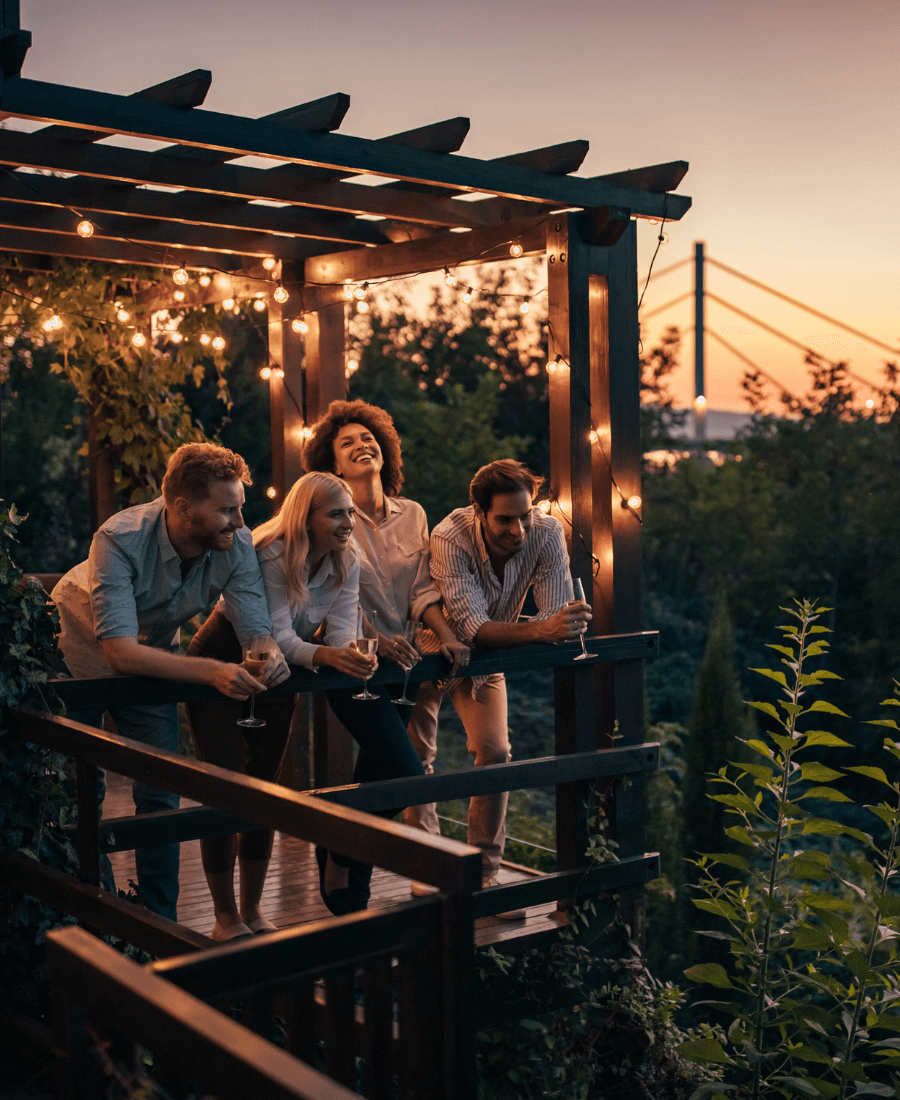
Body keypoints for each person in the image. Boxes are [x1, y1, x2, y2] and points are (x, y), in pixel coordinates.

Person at [51, 443, 289, 922]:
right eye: (226, 510)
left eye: (240, 507)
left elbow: (255, 628)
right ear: (183, 508)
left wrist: (270, 653)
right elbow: (119, 652)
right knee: (82, 791)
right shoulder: (117, 539)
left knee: (159, 792)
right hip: (73, 660)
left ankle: (158, 924)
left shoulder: (235, 544)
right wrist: (213, 672)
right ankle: (93, 917)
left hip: (153, 659)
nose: (241, 523)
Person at [186, 471, 427, 932]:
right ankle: (223, 916)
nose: (349, 522)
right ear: (306, 518)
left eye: (351, 512)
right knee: (223, 788)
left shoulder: (346, 557)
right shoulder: (270, 553)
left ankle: (253, 911)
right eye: (336, 513)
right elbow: (274, 635)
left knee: (264, 788)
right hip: (223, 661)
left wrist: (351, 652)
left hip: (282, 674)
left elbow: (338, 629)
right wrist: (330, 654)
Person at [404, 459, 593, 917]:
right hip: (427, 651)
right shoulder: (450, 535)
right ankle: (429, 866)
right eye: (505, 519)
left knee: (495, 752)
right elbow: (470, 626)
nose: (518, 529)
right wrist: (544, 629)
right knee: (415, 758)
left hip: (487, 662)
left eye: (525, 516)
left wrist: (564, 624)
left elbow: (555, 613)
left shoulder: (547, 533)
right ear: (479, 511)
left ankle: (485, 872)